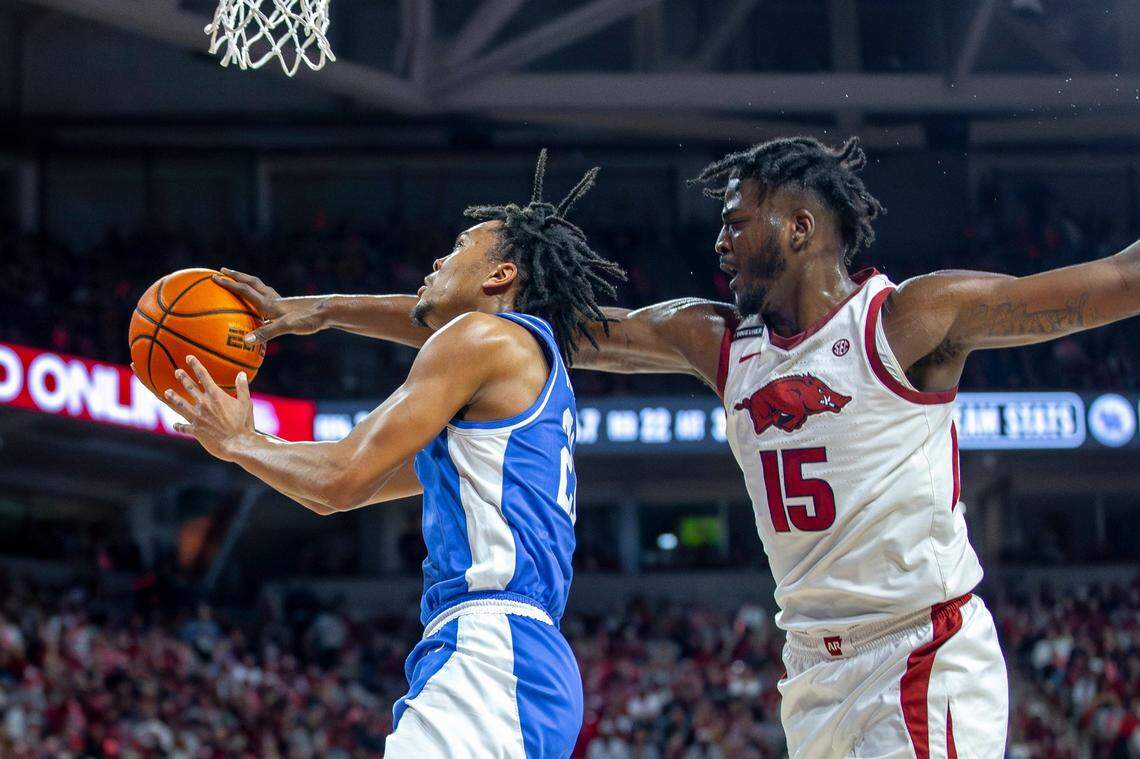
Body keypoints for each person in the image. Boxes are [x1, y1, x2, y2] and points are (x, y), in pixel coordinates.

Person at [219, 136, 1140, 758]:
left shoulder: (910, 318)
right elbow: (515, 321)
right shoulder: (714, 340)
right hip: (813, 670)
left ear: (802, 227)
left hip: (920, 645)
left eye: (738, 219)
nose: (720, 238)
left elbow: (1107, 283)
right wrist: (324, 311)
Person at [164, 151, 626, 758]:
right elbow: (342, 490)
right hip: (518, 661)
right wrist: (316, 320)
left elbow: (338, 479)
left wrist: (239, 442)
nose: (438, 260)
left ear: (500, 276)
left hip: (492, 654)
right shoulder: (521, 377)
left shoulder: (480, 336)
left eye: (460, 245)